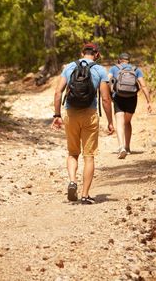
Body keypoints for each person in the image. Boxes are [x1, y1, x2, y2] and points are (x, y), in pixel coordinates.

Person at [52, 43, 114, 204]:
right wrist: (110, 121)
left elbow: (58, 92)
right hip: (90, 114)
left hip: (71, 113)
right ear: (97, 54)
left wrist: (57, 114)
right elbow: (106, 99)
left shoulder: (70, 67)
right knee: (89, 156)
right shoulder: (100, 70)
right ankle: (85, 195)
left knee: (73, 153)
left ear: (81, 53)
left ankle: (72, 181)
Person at [108, 53, 152, 159]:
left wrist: (109, 95)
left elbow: (107, 81)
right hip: (132, 98)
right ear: (129, 60)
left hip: (118, 97)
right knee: (127, 122)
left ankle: (121, 147)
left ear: (119, 60)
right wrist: (149, 101)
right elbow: (143, 85)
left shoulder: (114, 68)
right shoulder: (136, 69)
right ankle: (127, 147)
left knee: (119, 122)